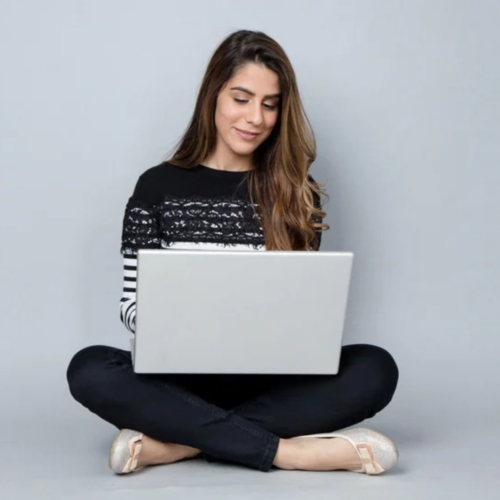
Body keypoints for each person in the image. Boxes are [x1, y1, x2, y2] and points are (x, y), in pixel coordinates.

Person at [66, 29, 399, 476]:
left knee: (376, 368)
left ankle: (178, 442)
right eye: (241, 98)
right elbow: (130, 305)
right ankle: (288, 452)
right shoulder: (156, 187)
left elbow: (304, 313)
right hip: (175, 379)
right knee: (88, 368)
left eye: (270, 103)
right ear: (213, 97)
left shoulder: (297, 194)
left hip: (271, 382)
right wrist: (179, 321)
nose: (255, 118)